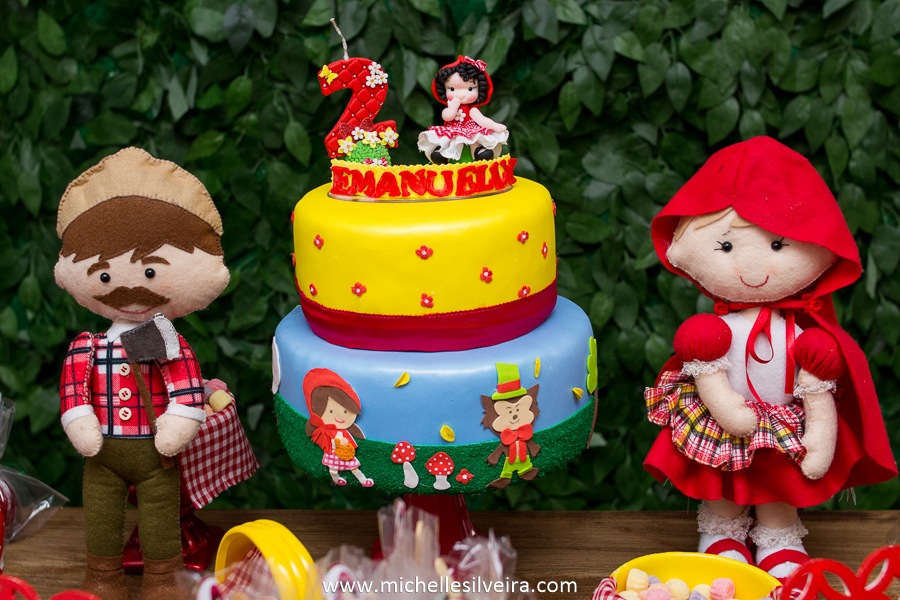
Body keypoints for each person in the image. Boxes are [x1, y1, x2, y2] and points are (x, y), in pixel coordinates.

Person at [644, 137, 897, 580]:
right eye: (725, 247)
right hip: (723, 416)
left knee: (779, 475)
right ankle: (722, 532)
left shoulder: (805, 334)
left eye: (778, 245)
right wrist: (724, 405)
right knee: (716, 472)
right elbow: (705, 368)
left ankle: (778, 539)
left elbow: (816, 383)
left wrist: (819, 434)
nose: (754, 269)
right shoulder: (711, 332)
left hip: (783, 417)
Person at [55, 147, 231, 600]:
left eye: (151, 270)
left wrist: (178, 421)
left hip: (157, 455)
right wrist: (80, 420)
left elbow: (186, 387)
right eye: (105, 275)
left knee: (159, 517)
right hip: (104, 455)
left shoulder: (167, 340)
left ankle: (164, 580)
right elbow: (74, 393)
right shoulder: (86, 347)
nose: (132, 287)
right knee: (100, 515)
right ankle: (102, 578)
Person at [417, 56, 508, 164]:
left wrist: (494, 126)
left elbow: (481, 120)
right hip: (453, 130)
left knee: (474, 140)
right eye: (451, 89)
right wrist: (453, 108)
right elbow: (447, 116)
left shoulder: (472, 110)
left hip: (471, 130)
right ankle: (443, 155)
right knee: (448, 142)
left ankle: (479, 153)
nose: (460, 94)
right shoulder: (451, 105)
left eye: (469, 89)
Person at [304, 368, 374, 487]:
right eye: (330, 411)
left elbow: (349, 441)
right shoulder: (324, 430)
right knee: (333, 468)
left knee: (354, 467)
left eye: (346, 412)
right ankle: (336, 478)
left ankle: (363, 480)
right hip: (333, 452)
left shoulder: (345, 431)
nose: (340, 417)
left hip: (346, 452)